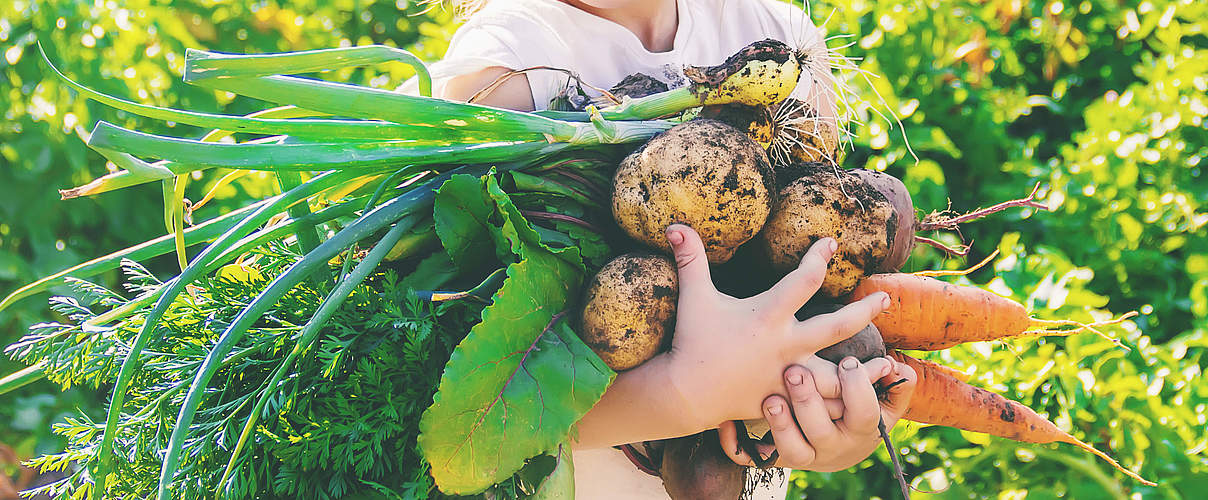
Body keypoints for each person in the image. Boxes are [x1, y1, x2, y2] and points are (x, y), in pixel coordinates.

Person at [425, 0, 919, 497]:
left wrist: (830, 425)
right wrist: (685, 393)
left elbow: (812, 255)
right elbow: (474, 412)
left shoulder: (777, 32)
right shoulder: (504, 68)